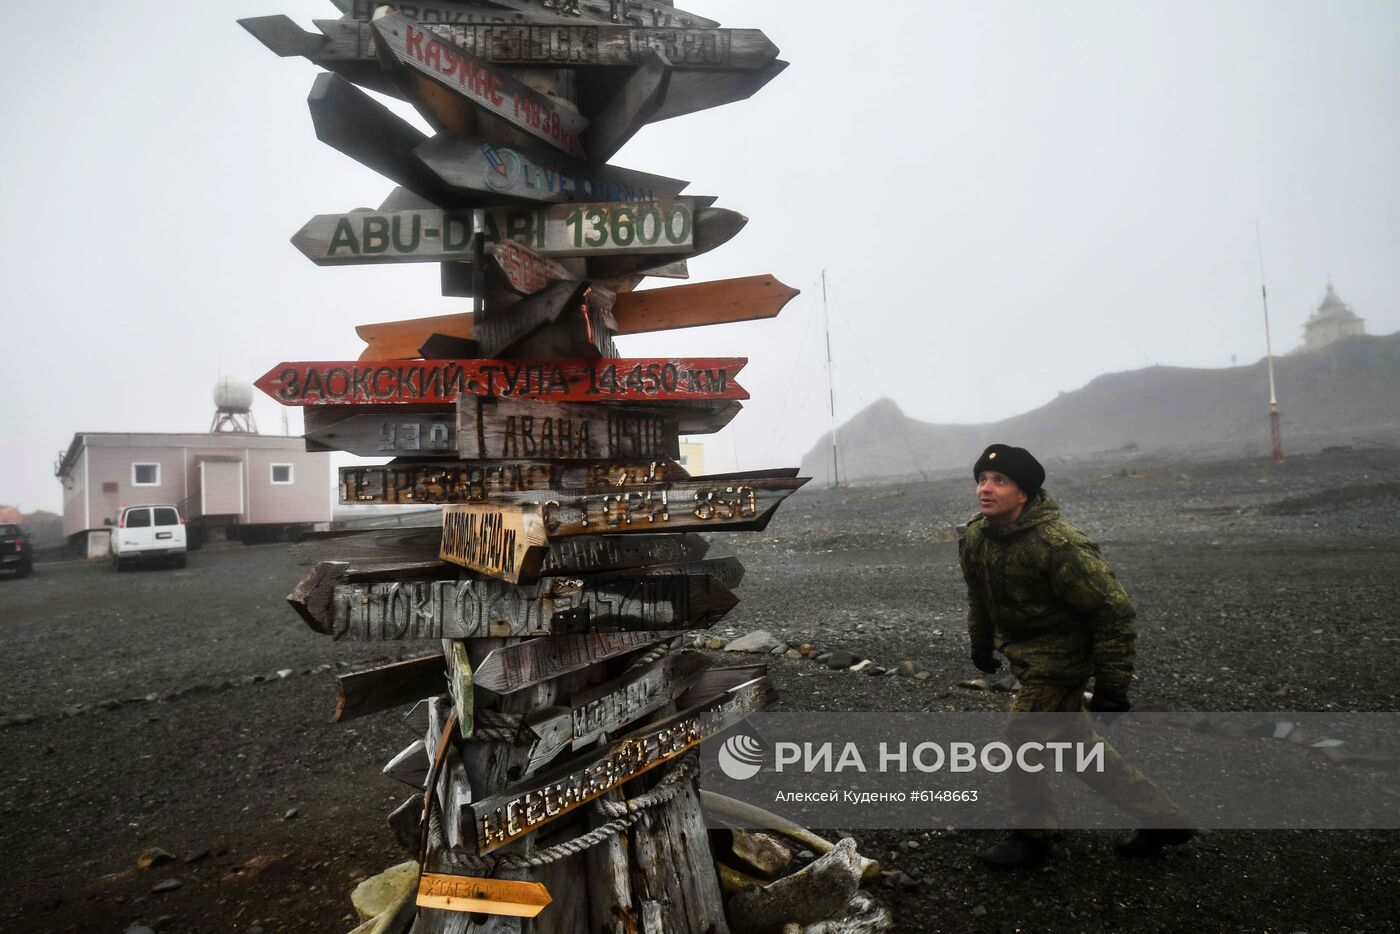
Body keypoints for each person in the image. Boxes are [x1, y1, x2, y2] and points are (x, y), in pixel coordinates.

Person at [959, 443, 1194, 869]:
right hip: (1026, 656)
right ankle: (1165, 820)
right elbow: (979, 595)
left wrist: (1112, 685)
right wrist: (981, 640)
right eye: (981, 480)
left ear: (1024, 493)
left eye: (999, 481)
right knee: (1076, 748)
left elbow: (1113, 612)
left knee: (1023, 739)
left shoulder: (1059, 545)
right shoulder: (977, 536)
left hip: (1062, 659)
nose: (985, 489)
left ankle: (1033, 837)